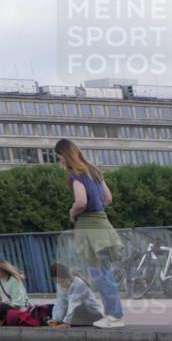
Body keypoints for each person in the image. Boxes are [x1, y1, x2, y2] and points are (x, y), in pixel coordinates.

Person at [54, 138, 125, 329]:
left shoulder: (75, 175)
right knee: (104, 272)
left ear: (64, 155)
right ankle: (113, 313)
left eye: (59, 157)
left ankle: (115, 316)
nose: (59, 161)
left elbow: (81, 202)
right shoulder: (94, 171)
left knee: (101, 274)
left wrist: (72, 212)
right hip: (103, 224)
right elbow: (108, 198)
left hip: (89, 228)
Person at [47, 262, 104, 328]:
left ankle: (68, 322)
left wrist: (66, 323)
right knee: (56, 306)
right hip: (78, 314)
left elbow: (73, 304)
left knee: (75, 306)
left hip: (93, 313)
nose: (61, 284)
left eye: (62, 281)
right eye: (57, 282)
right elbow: (61, 303)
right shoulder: (59, 285)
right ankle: (62, 321)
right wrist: (56, 319)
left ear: (68, 277)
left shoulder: (78, 284)